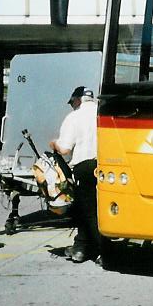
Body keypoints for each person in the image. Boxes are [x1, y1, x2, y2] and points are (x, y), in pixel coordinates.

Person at [50, 86, 100, 263]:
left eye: (72, 102)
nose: (72, 105)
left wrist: (54, 144)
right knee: (95, 209)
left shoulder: (74, 117)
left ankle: (102, 251)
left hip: (84, 167)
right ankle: (81, 247)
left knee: (87, 211)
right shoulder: (102, 113)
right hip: (106, 167)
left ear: (78, 100)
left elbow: (65, 149)